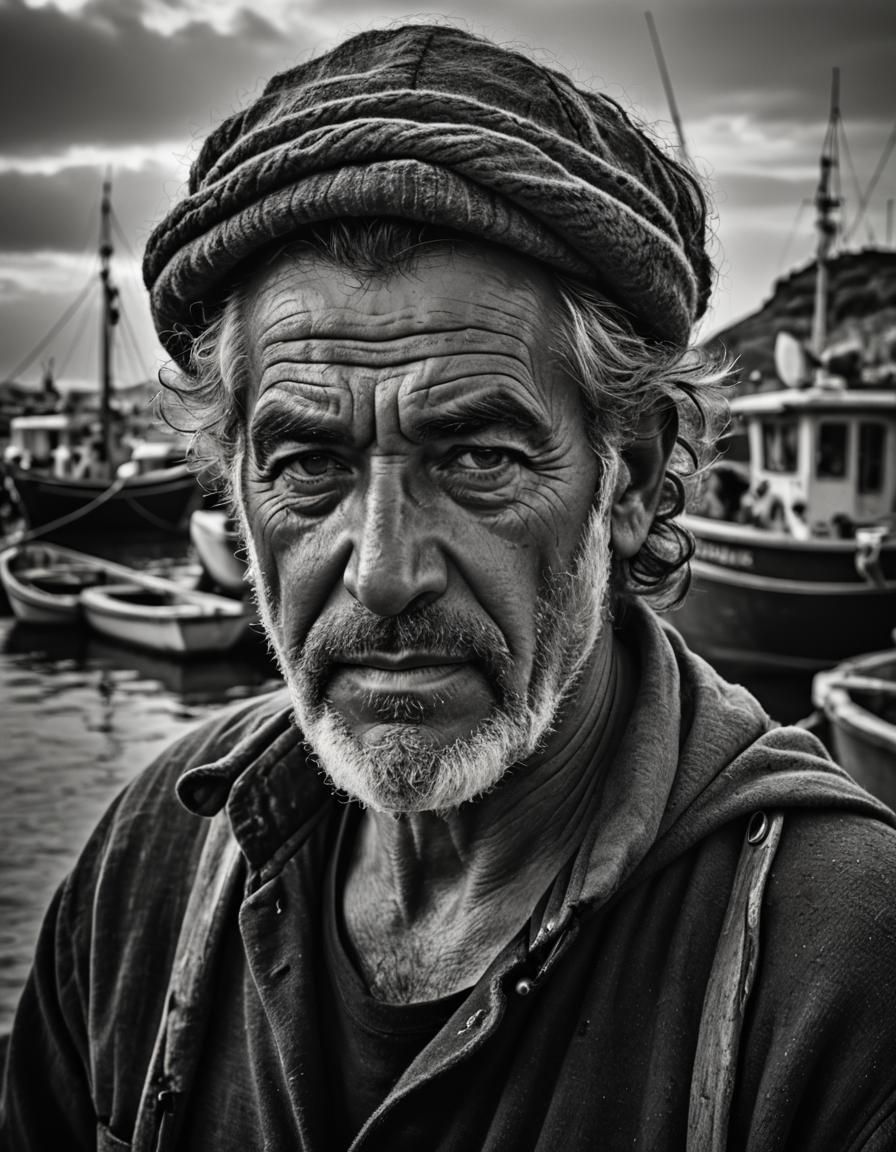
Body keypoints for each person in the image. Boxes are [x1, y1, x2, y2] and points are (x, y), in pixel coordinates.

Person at [3, 24, 896, 1152]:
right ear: (232, 483)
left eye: (478, 459)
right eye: (307, 465)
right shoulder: (152, 861)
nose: (380, 573)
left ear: (628, 475)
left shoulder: (840, 966)